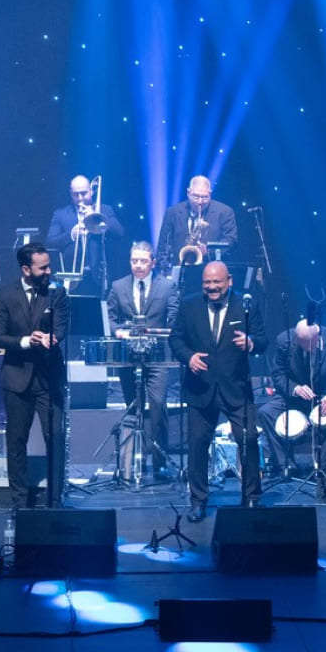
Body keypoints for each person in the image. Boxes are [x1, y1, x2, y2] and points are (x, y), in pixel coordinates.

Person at [168, 261, 264, 522]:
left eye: (216, 282)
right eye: (206, 283)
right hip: (201, 388)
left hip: (237, 388)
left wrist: (251, 342)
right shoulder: (189, 305)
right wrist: (188, 358)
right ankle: (198, 501)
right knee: (198, 445)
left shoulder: (245, 305)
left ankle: (251, 497)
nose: (211, 287)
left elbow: (263, 340)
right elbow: (175, 339)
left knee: (249, 441)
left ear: (229, 281)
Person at [0, 243, 70, 508]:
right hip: (17, 378)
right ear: (26, 270)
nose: (49, 270)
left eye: (49, 265)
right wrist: (27, 341)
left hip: (49, 378)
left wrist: (51, 338)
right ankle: (20, 501)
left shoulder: (56, 294)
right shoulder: (6, 295)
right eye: (43, 267)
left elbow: (60, 328)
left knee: (55, 438)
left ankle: (55, 499)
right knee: (16, 441)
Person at [104, 242, 179, 479]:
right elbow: (110, 318)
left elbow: (174, 320)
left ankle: (160, 461)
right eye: (134, 260)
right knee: (133, 407)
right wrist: (118, 331)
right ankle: (131, 463)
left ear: (153, 263)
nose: (138, 265)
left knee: (158, 406)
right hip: (128, 356)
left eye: (143, 261)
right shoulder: (117, 286)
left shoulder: (167, 287)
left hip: (157, 357)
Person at [257, 318, 326, 479]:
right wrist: (294, 388)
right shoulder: (284, 340)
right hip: (295, 397)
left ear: (318, 337)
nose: (303, 347)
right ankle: (286, 465)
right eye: (299, 342)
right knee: (266, 412)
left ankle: (321, 465)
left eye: (307, 343)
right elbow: (278, 374)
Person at [45, 175, 126, 293]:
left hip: (99, 278)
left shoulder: (105, 210)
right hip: (71, 278)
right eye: (75, 194)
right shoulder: (60, 214)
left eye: (83, 193)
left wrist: (96, 217)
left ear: (91, 191)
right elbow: (50, 242)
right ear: (70, 193)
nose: (80, 198)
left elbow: (120, 233)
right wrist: (71, 235)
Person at [157, 175, 238, 268]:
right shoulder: (172, 212)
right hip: (179, 268)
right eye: (196, 196)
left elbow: (230, 242)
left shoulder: (225, 212)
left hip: (211, 269)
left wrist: (208, 252)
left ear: (210, 193)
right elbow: (163, 246)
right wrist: (165, 270)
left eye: (204, 197)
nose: (200, 202)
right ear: (188, 192)